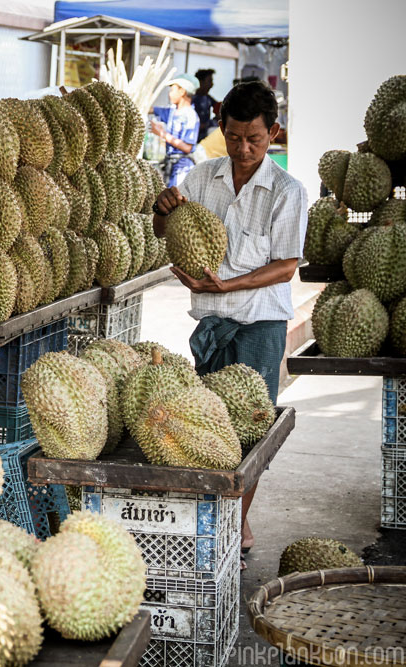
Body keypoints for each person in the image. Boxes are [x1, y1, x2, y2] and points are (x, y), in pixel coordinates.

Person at [151, 80, 309, 570]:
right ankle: (218, 523)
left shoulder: (287, 191)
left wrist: (229, 287)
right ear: (223, 129)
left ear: (273, 133)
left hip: (260, 327)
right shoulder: (201, 179)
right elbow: (167, 232)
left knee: (251, 435)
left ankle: (232, 527)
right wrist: (161, 212)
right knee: (209, 431)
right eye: (235, 137)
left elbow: (286, 265)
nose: (243, 149)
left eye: (255, 140)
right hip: (213, 326)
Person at [150, 74, 201, 187]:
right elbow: (151, 109)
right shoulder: (172, 112)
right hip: (170, 165)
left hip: (182, 168)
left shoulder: (191, 116)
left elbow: (187, 147)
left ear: (182, 91)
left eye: (172, 90)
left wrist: (162, 134)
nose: (170, 94)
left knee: (177, 199)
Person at [193, 69, 218, 142]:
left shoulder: (208, 98)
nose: (212, 84)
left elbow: (220, 108)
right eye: (209, 81)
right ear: (200, 82)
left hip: (205, 136)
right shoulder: (190, 99)